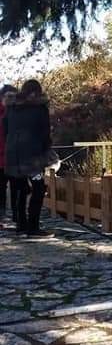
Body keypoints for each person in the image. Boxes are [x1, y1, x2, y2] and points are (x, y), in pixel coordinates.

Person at [4, 79, 53, 238]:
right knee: (38, 189)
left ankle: (21, 225)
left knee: (20, 189)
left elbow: (5, 130)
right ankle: (33, 227)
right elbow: (45, 133)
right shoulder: (40, 108)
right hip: (33, 157)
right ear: (37, 92)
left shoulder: (11, 108)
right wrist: (46, 152)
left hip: (13, 156)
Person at [0, 85, 17, 220]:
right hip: (2, 157)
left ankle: (17, 216)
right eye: (9, 96)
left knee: (17, 188)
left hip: (14, 158)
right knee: (1, 188)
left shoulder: (17, 113)